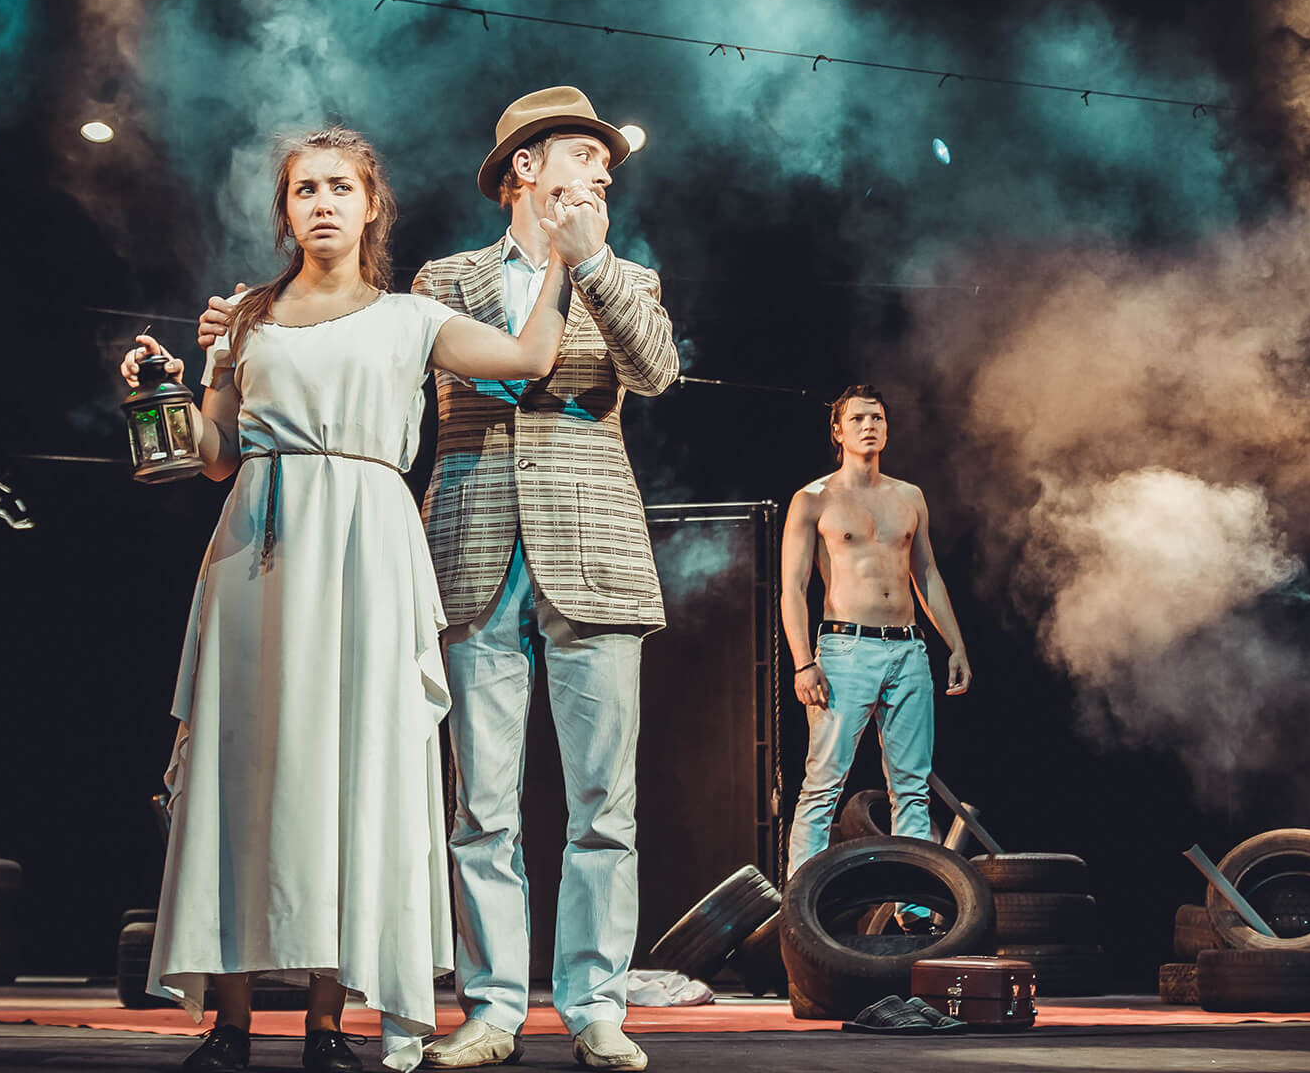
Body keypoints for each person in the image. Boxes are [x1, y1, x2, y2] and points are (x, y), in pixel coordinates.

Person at [197, 87, 676, 1072]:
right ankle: (493, 1005)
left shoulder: (631, 276)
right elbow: (495, 374)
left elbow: (655, 371)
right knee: (482, 807)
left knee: (604, 807)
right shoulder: (442, 282)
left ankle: (595, 1007)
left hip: (594, 554)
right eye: (581, 155)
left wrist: (585, 261)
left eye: (603, 160)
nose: (599, 171)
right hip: (472, 545)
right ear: (524, 172)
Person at [120, 125, 587, 1073]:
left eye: (340, 187)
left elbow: (531, 359)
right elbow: (213, 456)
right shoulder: (244, 319)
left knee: (352, 770)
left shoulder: (411, 317)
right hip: (260, 548)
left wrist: (566, 265)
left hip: (370, 549)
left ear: (372, 205)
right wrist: (166, 384)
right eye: (304, 190)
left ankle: (330, 1021)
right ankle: (232, 1021)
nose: (323, 202)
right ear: (286, 210)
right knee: (243, 768)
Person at [780, 385, 974, 889]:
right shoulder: (813, 499)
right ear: (838, 431)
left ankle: (913, 908)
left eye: (879, 418)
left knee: (911, 787)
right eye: (859, 418)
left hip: (908, 649)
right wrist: (804, 662)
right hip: (845, 650)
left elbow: (927, 573)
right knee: (823, 784)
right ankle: (801, 905)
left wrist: (955, 645)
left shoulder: (908, 496)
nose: (870, 426)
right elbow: (792, 590)